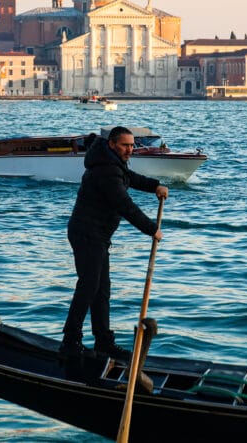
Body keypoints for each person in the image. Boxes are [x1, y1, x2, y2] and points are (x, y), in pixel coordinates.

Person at [59, 126, 168, 360]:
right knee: (89, 287)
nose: (130, 150)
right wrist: (152, 230)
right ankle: (70, 342)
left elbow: (130, 178)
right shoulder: (106, 169)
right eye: (125, 145)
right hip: (87, 233)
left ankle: (103, 342)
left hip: (98, 235)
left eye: (131, 145)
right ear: (112, 144)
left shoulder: (113, 163)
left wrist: (154, 186)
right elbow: (124, 205)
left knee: (101, 290)